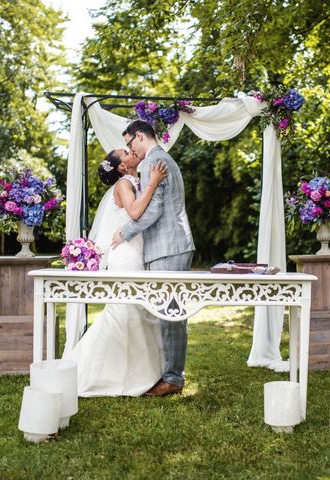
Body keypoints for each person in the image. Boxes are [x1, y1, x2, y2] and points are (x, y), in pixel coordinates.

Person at [64, 148, 168, 397]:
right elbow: (134, 213)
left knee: (139, 311)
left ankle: (142, 374)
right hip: (127, 256)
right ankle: (89, 373)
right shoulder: (123, 183)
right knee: (125, 311)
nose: (132, 151)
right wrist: (153, 183)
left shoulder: (133, 180)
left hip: (137, 251)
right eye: (126, 153)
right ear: (122, 166)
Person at [112, 119, 195, 397]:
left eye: (129, 143)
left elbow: (153, 211)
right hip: (174, 244)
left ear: (139, 136)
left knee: (171, 312)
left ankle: (173, 379)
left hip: (168, 246)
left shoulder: (151, 163)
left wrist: (124, 232)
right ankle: (171, 374)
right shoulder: (164, 158)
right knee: (172, 311)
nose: (130, 149)